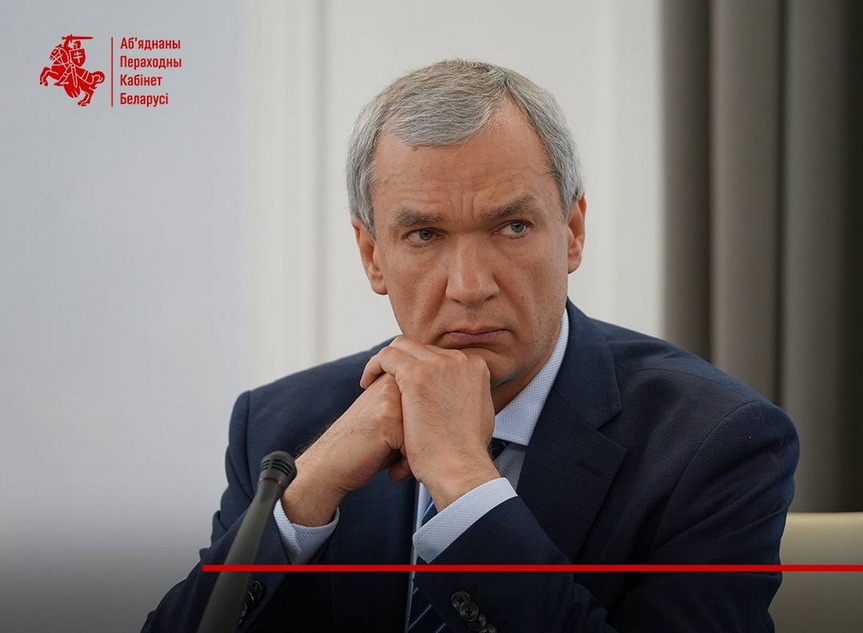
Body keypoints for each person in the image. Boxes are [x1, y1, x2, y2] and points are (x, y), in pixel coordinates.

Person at [144, 59, 798, 633]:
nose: (469, 286)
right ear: (372, 255)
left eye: (511, 226)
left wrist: (465, 481)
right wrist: (308, 493)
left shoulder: (715, 441)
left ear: (572, 231)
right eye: (424, 235)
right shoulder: (279, 432)